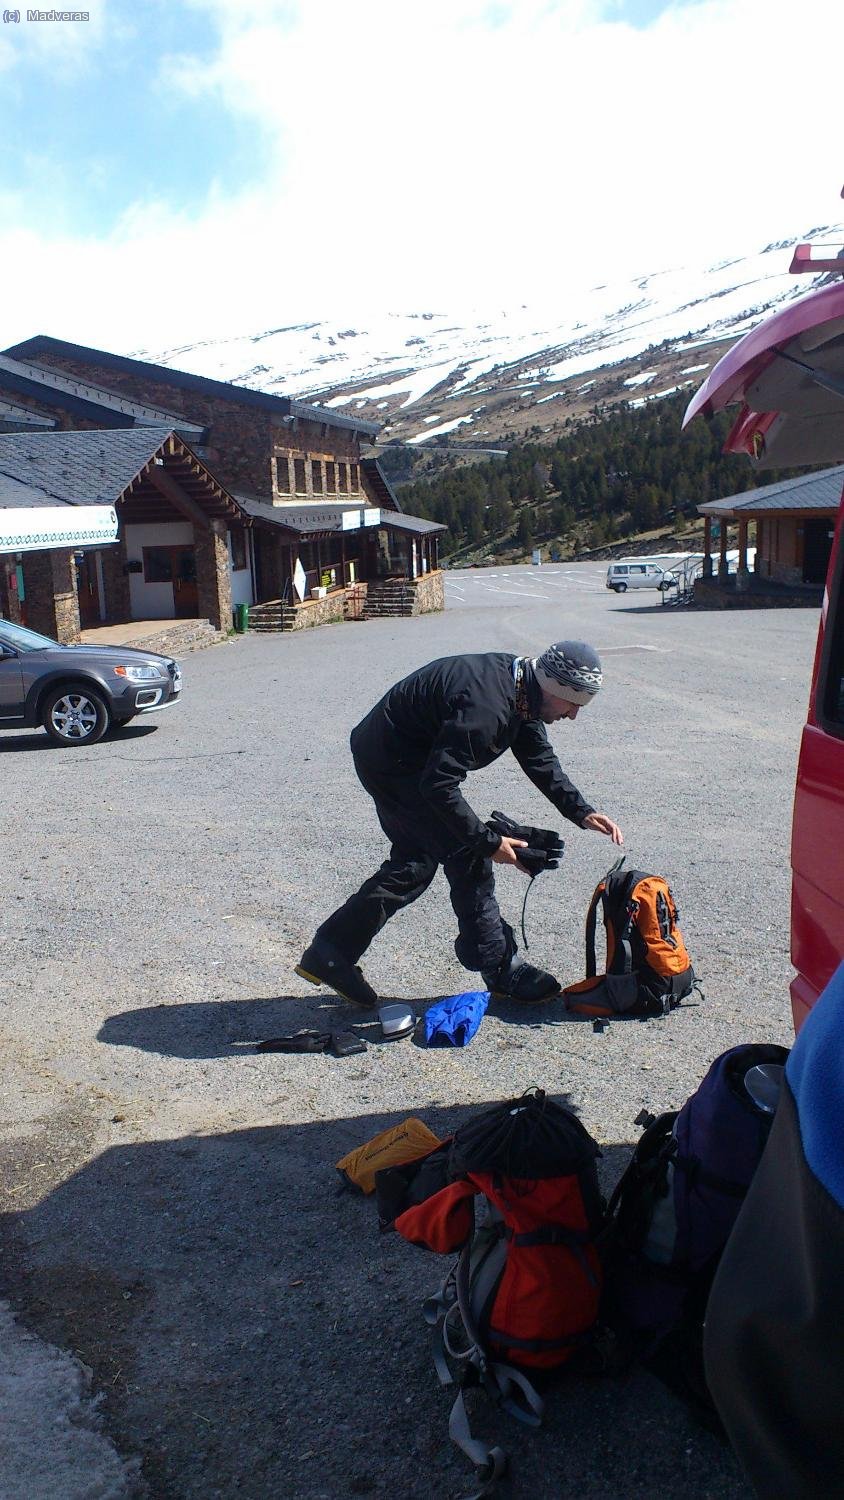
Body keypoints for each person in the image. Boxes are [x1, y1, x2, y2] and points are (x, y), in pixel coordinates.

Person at [296, 641, 623, 1007]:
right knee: (467, 853)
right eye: (572, 704)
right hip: (394, 762)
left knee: (415, 863)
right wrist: (490, 843)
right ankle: (500, 966)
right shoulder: (488, 706)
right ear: (552, 686)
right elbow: (439, 786)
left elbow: (538, 757)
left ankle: (330, 954)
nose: (573, 715)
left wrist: (580, 810)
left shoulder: (524, 690)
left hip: (400, 755)